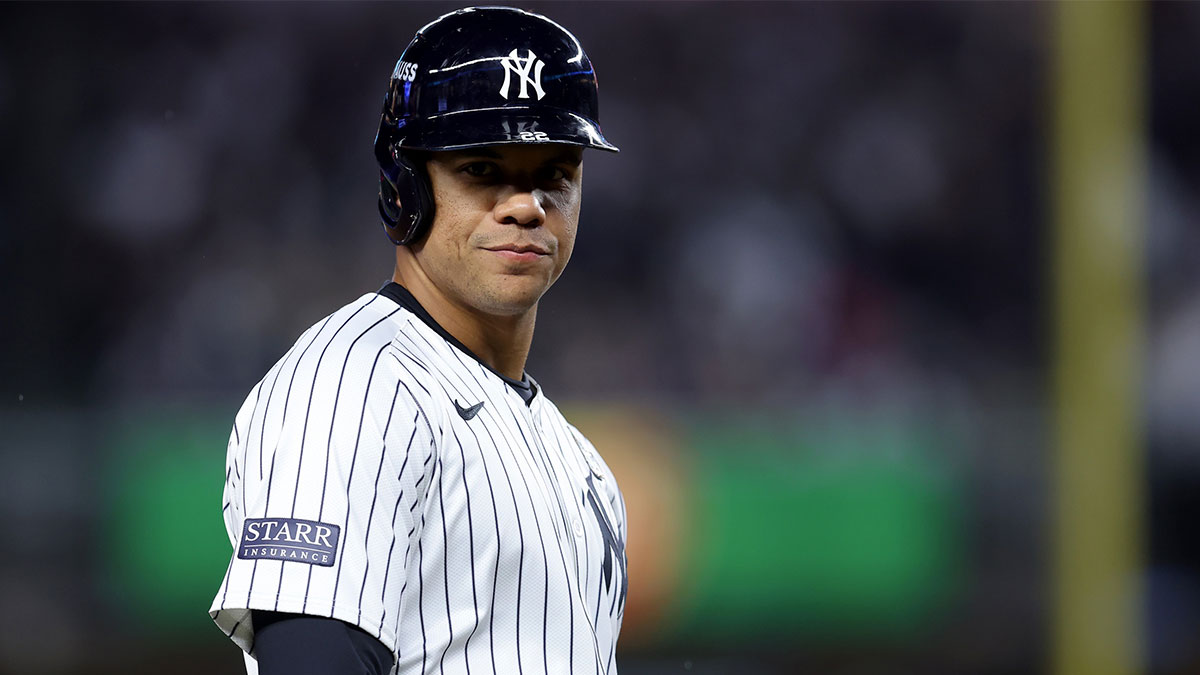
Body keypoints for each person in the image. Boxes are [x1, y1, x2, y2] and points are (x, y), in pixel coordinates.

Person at [208, 7, 628, 674]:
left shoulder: (582, 464)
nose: (528, 205)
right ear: (403, 186)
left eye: (555, 172)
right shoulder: (351, 387)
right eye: (483, 170)